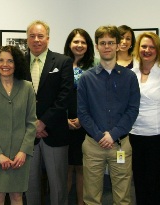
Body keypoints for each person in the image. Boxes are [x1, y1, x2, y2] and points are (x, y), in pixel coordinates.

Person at [77, 25, 140, 205]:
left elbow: (133, 109)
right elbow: (83, 112)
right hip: (93, 144)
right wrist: (99, 136)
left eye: (111, 42)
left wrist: (113, 134)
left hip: (120, 144)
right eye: (102, 43)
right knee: (91, 197)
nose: (107, 46)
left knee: (123, 198)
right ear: (96, 46)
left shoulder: (129, 77)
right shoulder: (86, 78)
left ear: (118, 45)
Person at [0, 45, 37, 205]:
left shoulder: (27, 88)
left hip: (20, 155)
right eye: (1, 60)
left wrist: (23, 151)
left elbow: (32, 123)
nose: (5, 64)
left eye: (10, 61)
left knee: (17, 196)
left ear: (17, 63)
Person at [24, 20, 74, 205]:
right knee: (30, 185)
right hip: (27, 134)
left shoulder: (62, 61)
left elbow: (65, 96)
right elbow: (14, 98)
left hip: (55, 133)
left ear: (48, 38)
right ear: (27, 38)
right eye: (32, 36)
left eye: (40, 36)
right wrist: (32, 124)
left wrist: (43, 122)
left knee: (58, 186)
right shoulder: (18, 63)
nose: (36, 40)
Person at [130, 32, 160, 205]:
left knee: (157, 185)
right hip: (135, 135)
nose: (147, 50)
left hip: (159, 137)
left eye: (151, 47)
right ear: (138, 48)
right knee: (140, 184)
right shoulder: (131, 74)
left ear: (157, 50)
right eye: (143, 46)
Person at [63, 28, 97, 205]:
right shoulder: (61, 64)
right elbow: (57, 96)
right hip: (64, 123)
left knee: (82, 169)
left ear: (88, 45)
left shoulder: (95, 67)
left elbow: (98, 98)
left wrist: (83, 120)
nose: (79, 45)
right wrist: (64, 119)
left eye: (83, 42)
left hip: (86, 123)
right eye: (76, 41)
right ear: (70, 44)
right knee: (66, 168)